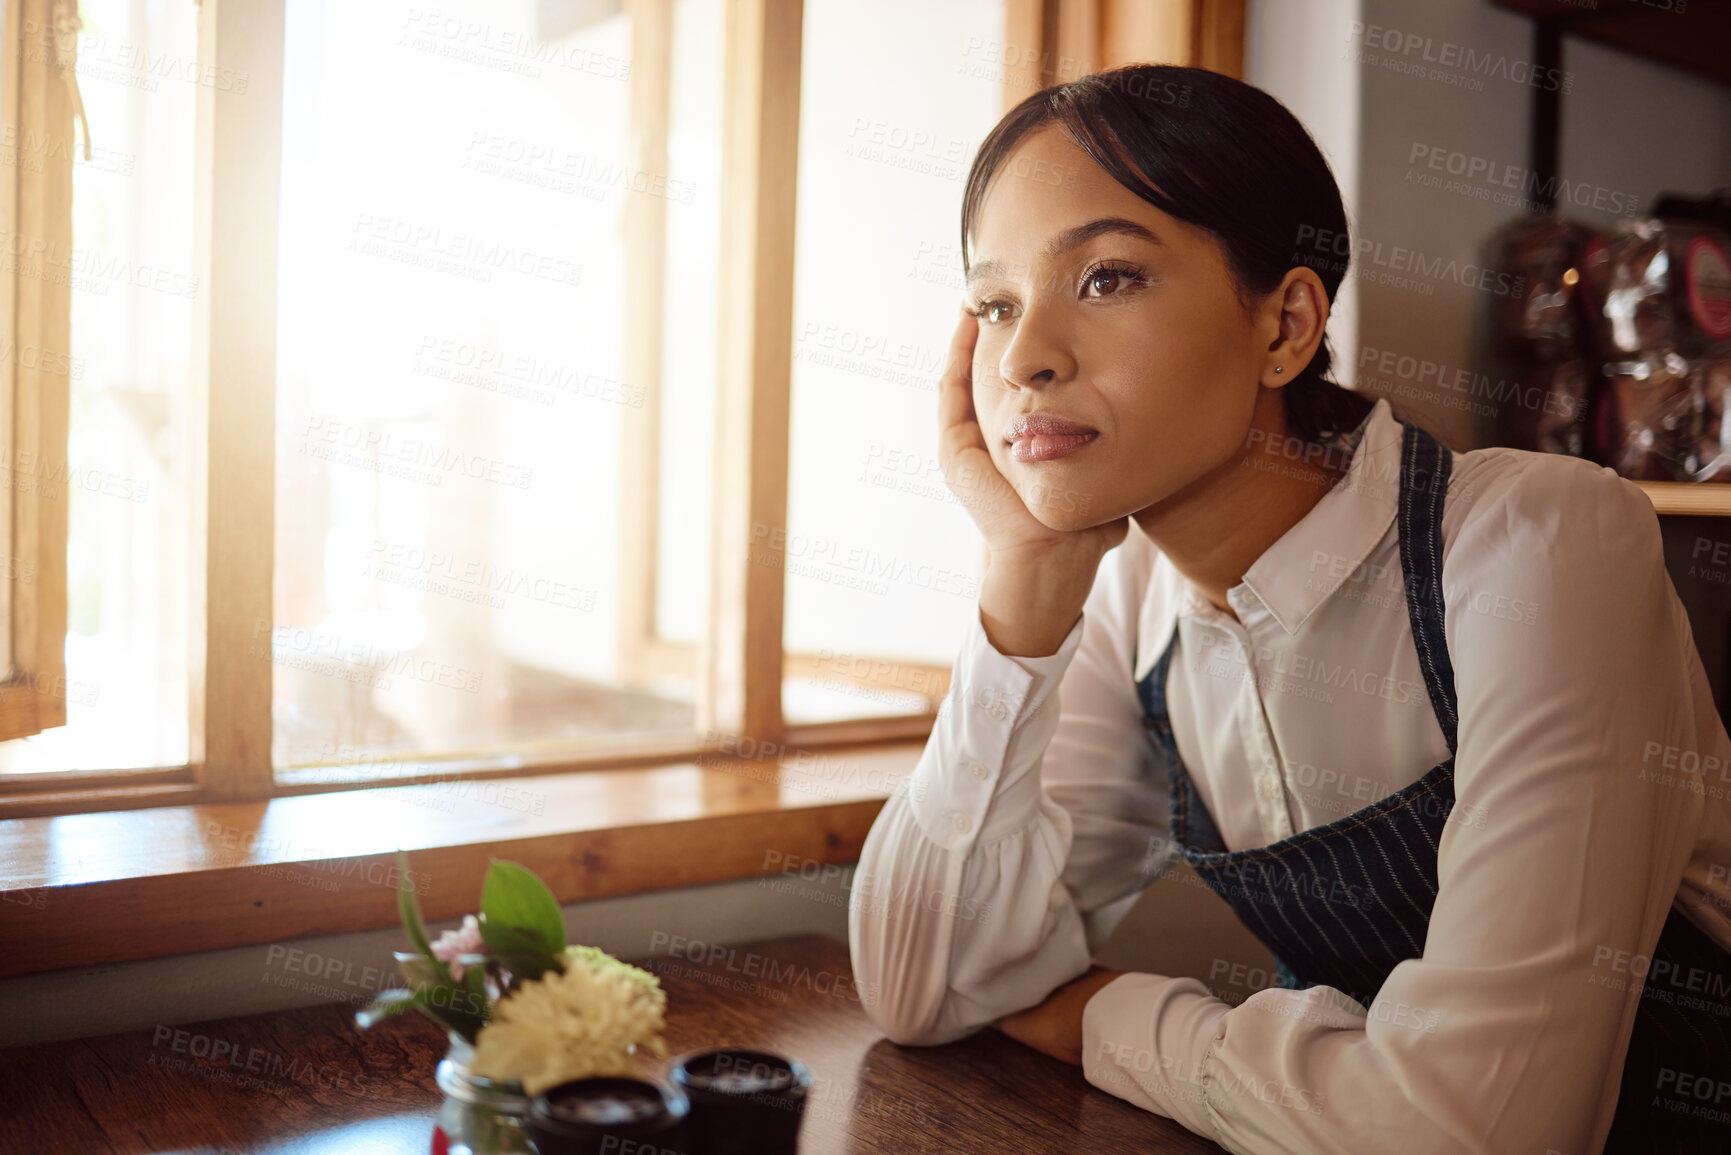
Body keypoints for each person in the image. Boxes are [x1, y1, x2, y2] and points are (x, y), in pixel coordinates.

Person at [846, 62, 1731, 1155]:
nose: (1024, 358)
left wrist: (1103, 1016)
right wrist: (1023, 578)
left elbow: (1479, 1133)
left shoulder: (1540, 543)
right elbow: (925, 986)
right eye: (993, 303)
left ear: (1286, 324)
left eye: (1108, 277)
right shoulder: (1129, 596)